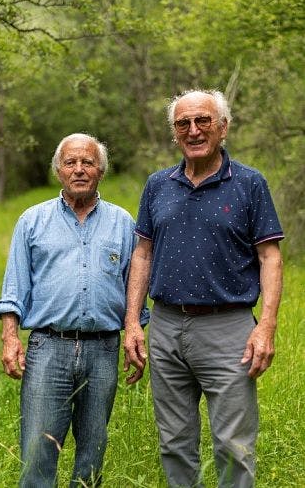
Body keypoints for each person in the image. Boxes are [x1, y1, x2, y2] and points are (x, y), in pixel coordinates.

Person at [123, 90, 284, 487]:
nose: (193, 130)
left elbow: (270, 258)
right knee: (174, 442)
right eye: (183, 124)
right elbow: (142, 254)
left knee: (233, 445)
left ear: (223, 127)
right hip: (165, 327)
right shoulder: (158, 185)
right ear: (175, 133)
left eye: (203, 121)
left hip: (228, 331)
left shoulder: (249, 183)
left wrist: (265, 327)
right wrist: (132, 322)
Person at [0, 132, 149, 487]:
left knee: (92, 453)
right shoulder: (32, 220)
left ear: (100, 171)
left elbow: (134, 288)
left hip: (103, 349)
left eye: (87, 162)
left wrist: (136, 333)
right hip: (48, 348)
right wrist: (9, 338)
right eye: (71, 163)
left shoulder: (123, 223)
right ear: (59, 171)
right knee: (37, 452)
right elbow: (15, 287)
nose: (79, 169)